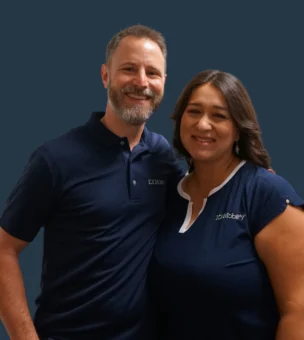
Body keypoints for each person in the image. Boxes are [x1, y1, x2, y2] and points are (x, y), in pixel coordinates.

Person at [0, 25, 184, 340]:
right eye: (129, 69)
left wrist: (251, 174)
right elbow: (4, 249)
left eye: (152, 73)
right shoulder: (54, 159)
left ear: (163, 83)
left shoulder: (163, 156)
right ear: (105, 76)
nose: (141, 82)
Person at [148, 69, 304, 339]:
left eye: (219, 116)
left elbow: (298, 310)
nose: (203, 125)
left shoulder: (267, 194)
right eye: (194, 112)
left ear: (238, 129)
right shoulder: (169, 196)